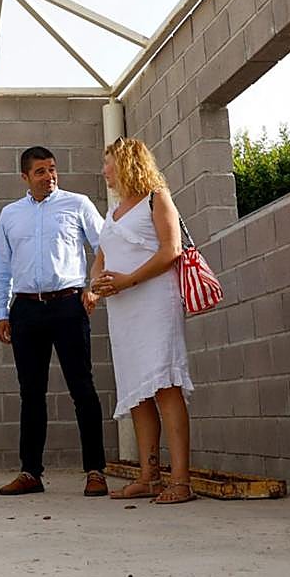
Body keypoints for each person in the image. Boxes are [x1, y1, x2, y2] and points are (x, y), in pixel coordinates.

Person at [0, 146, 109, 497]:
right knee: (31, 394)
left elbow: (106, 245)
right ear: (25, 177)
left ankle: (95, 470)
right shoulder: (10, 214)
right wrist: (1, 312)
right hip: (25, 310)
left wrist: (95, 289)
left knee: (82, 389)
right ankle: (30, 472)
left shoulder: (78, 204)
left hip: (69, 305)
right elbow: (2, 267)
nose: (49, 177)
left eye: (52, 169)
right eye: (40, 171)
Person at [90, 137, 196, 504]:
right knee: (137, 392)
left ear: (127, 163)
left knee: (165, 385)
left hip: (153, 303)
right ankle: (148, 477)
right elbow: (101, 256)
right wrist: (95, 286)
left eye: (109, 163)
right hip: (122, 310)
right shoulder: (113, 211)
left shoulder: (157, 197)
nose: (104, 171)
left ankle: (180, 480)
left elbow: (171, 250)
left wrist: (127, 280)